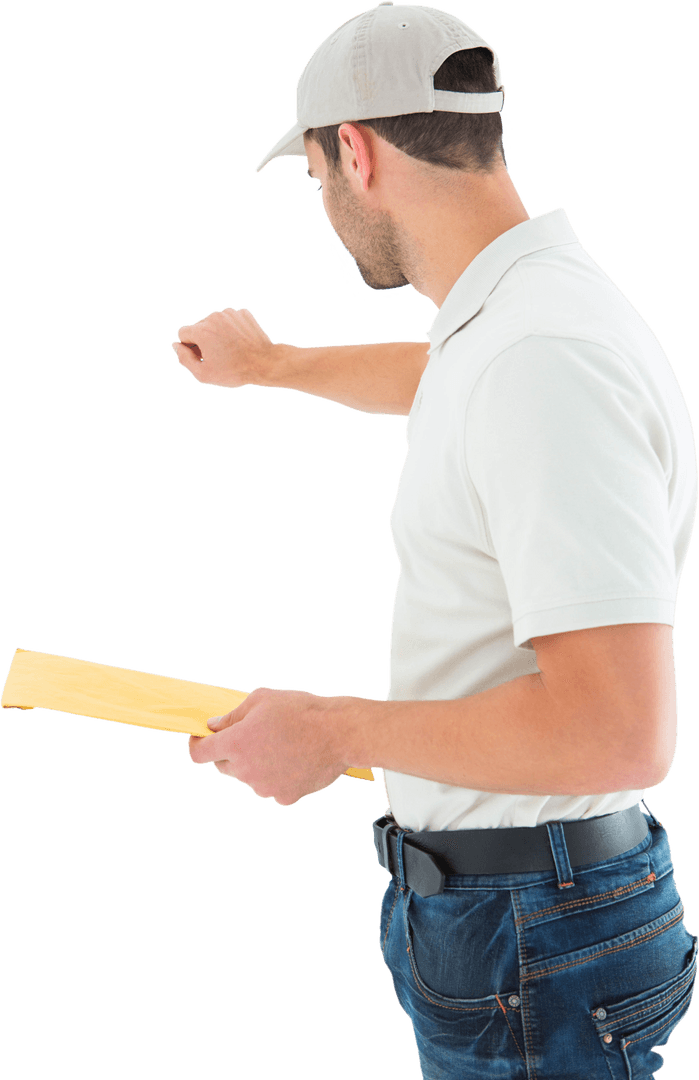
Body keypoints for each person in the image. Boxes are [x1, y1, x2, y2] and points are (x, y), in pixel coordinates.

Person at [174, 4, 698, 1077]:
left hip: (536, 932)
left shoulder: (539, 358)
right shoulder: (510, 322)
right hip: (524, 919)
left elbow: (618, 732)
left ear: (354, 152)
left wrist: (333, 734)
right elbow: (442, 378)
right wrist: (272, 366)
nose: (326, 205)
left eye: (317, 176)